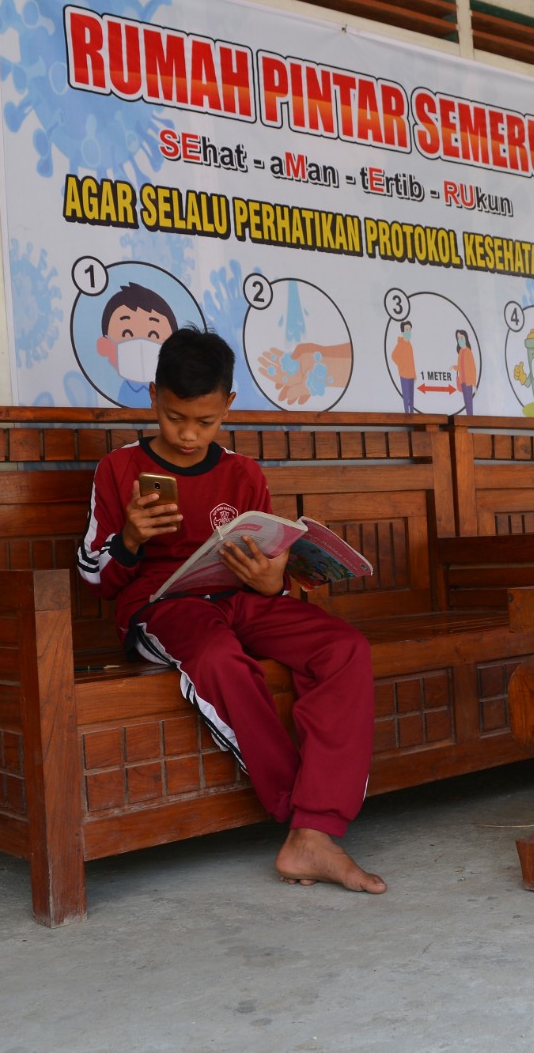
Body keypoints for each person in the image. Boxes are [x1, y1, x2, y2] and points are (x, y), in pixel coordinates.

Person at [77, 328, 385, 893]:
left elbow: (269, 561)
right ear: (152, 398)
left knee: (343, 648)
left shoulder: (243, 474)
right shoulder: (117, 470)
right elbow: (95, 577)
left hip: (243, 599)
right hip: (162, 608)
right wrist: (129, 539)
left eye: (205, 422)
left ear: (229, 407)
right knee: (219, 658)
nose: (189, 435)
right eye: (174, 418)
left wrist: (272, 582)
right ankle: (307, 819)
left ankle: (311, 833)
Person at [391, 319, 416, 414]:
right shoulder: (400, 344)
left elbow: (412, 361)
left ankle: (412, 413)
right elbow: (394, 356)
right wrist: (401, 366)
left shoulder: (409, 345)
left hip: (411, 375)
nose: (408, 331)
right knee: (406, 397)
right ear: (403, 331)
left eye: (409, 329)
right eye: (406, 329)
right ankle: (407, 413)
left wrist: (414, 375)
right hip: (404, 375)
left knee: (411, 396)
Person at [454, 329, 477, 416]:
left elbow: (473, 368)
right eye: (458, 338)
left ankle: (470, 417)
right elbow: (460, 367)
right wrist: (454, 367)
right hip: (462, 381)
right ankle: (468, 416)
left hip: (468, 381)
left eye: (461, 338)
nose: (460, 340)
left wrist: (474, 384)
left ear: (466, 339)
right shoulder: (460, 352)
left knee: (469, 401)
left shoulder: (468, 352)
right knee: (466, 401)